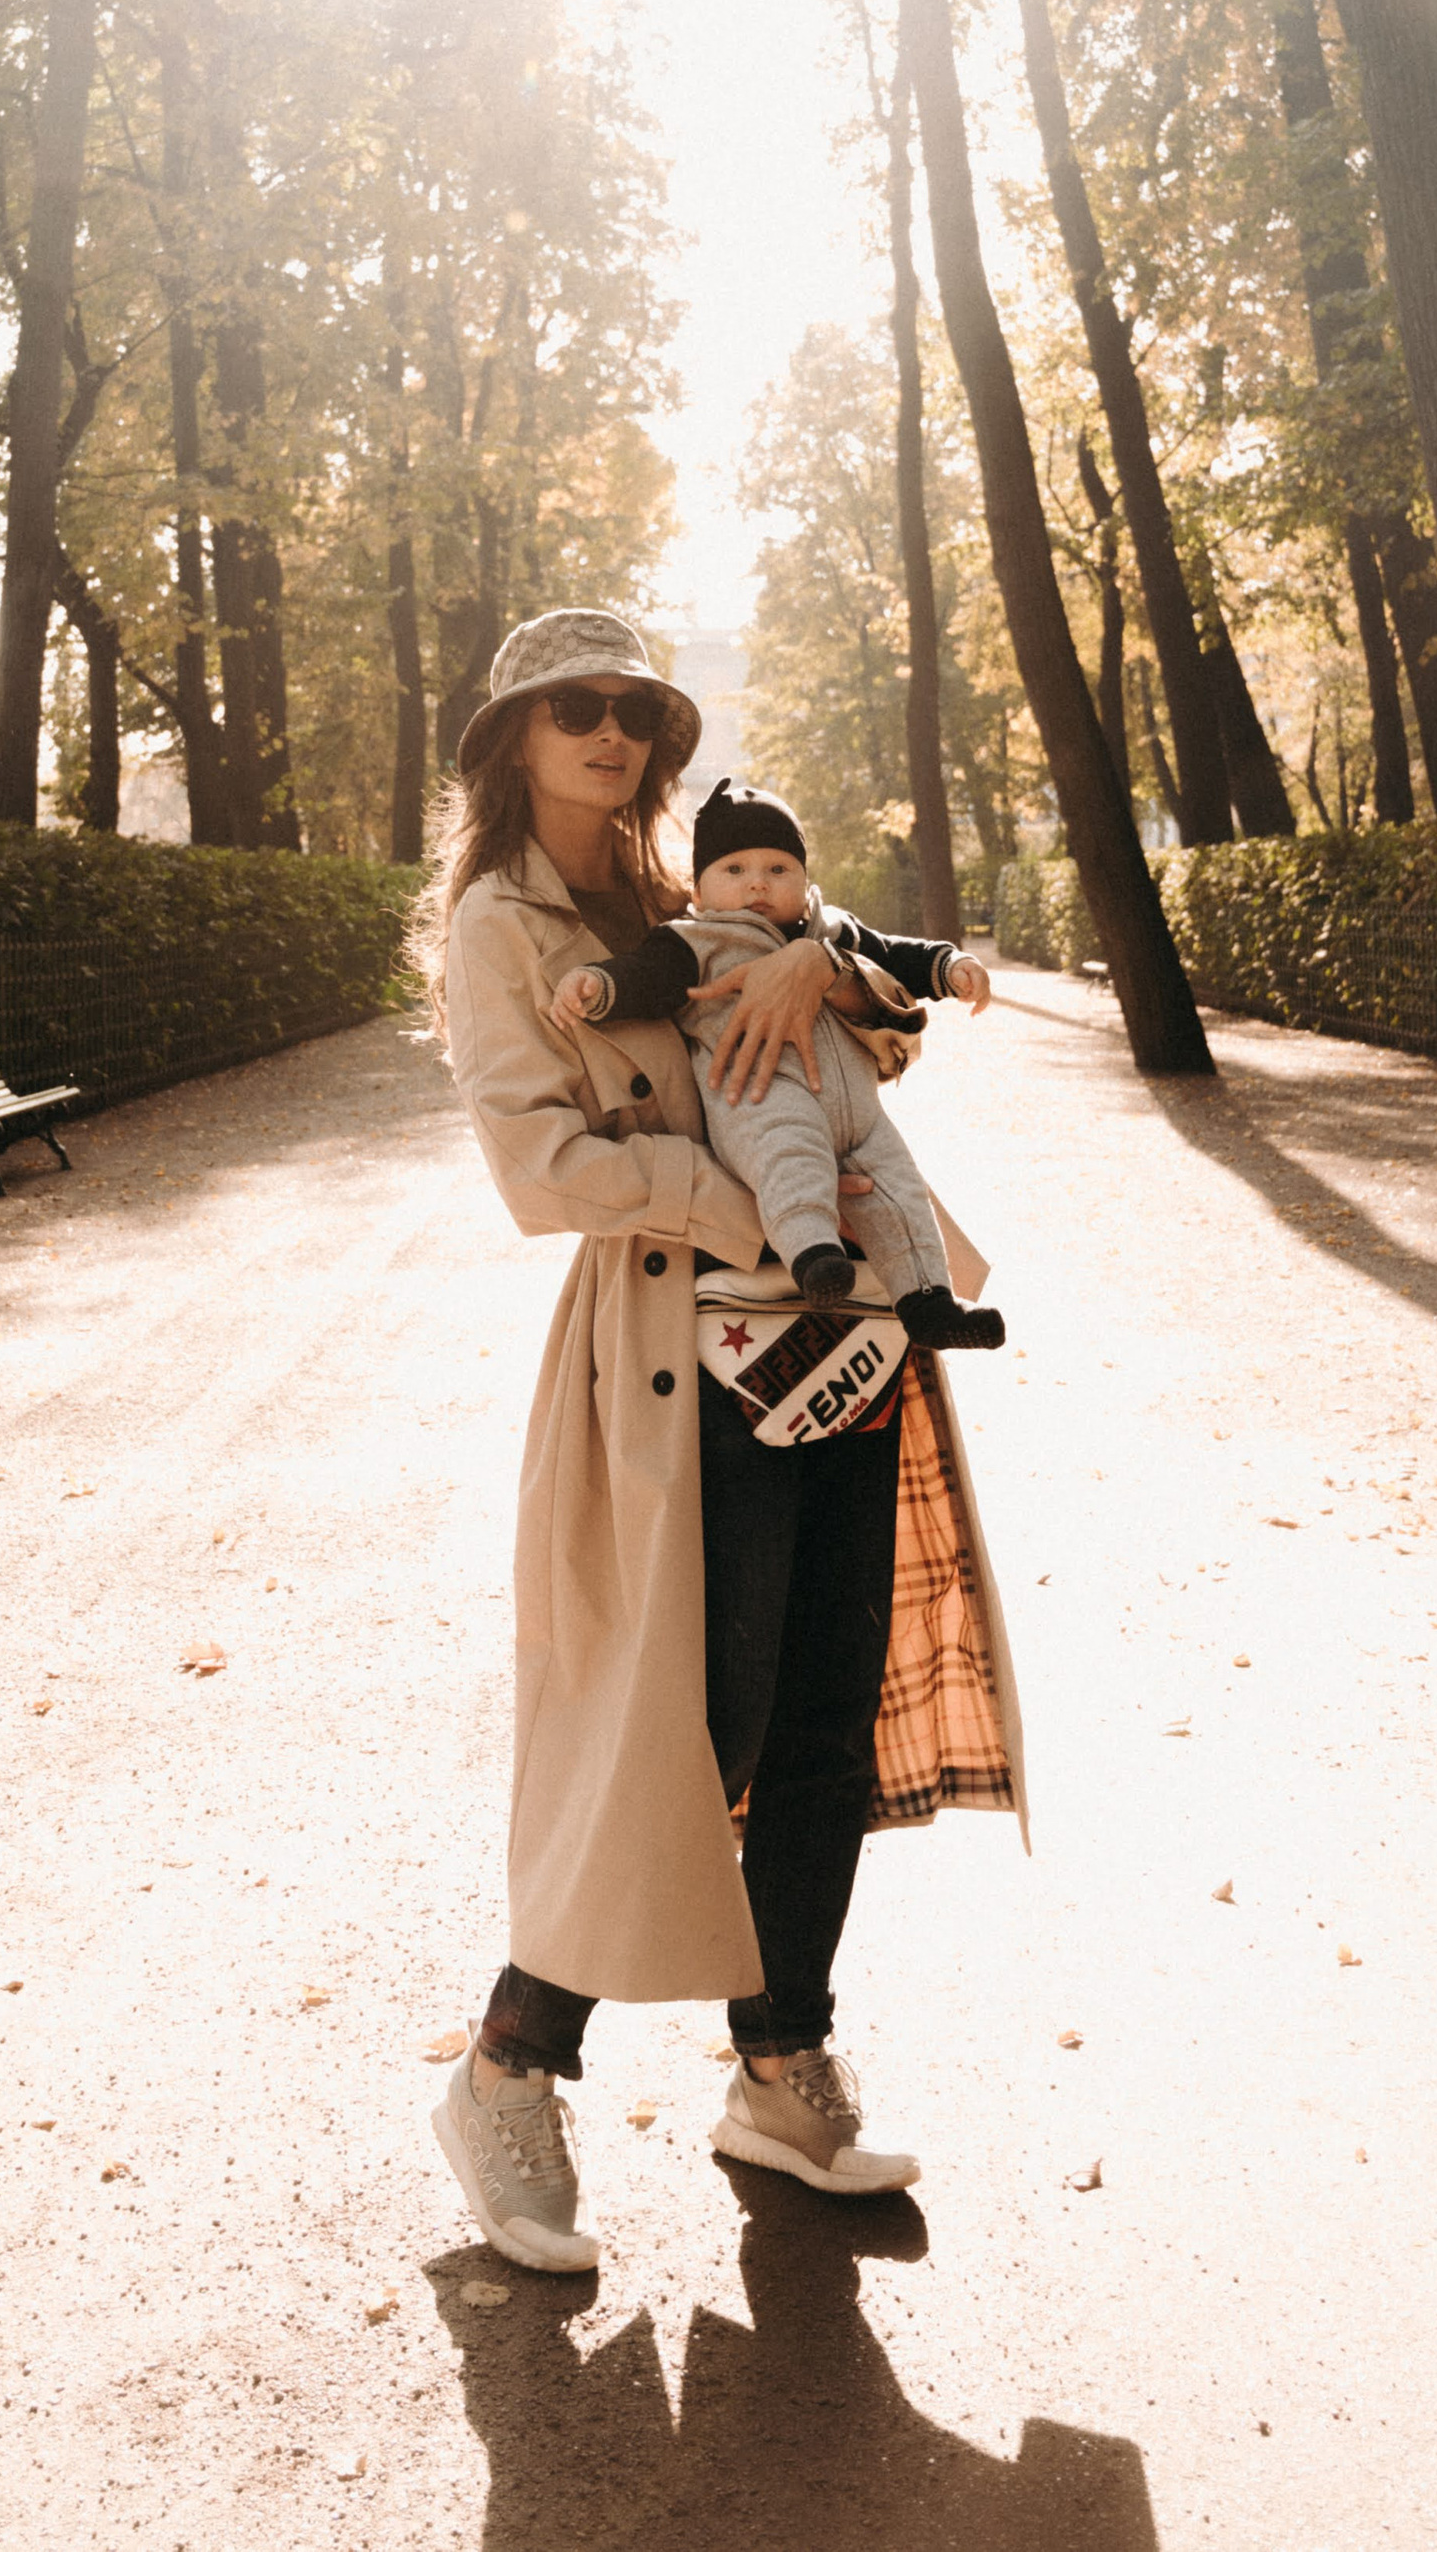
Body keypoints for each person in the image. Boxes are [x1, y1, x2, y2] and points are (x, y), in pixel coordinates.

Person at [419, 609, 1025, 2278]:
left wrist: (823, 965)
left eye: (633, 708)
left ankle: (781, 2065)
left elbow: (879, 1043)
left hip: (839, 1346)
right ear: (516, 739)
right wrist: (737, 1208)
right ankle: (508, 2070)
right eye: (573, 710)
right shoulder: (499, 923)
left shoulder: (703, 890)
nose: (610, 733)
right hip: (669, 1365)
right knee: (676, 1723)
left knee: (820, 1709)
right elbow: (542, 1170)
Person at [552, 772, 1008, 1390]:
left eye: (777, 868)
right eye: (734, 870)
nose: (758, 884)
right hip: (759, 1097)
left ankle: (929, 1303)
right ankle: (814, 1255)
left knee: (900, 1190)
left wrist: (949, 965)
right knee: (788, 1155)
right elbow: (645, 976)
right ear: (701, 888)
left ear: (804, 879)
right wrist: (599, 986)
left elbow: (895, 954)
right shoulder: (696, 941)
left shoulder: (835, 932)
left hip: (858, 1113)